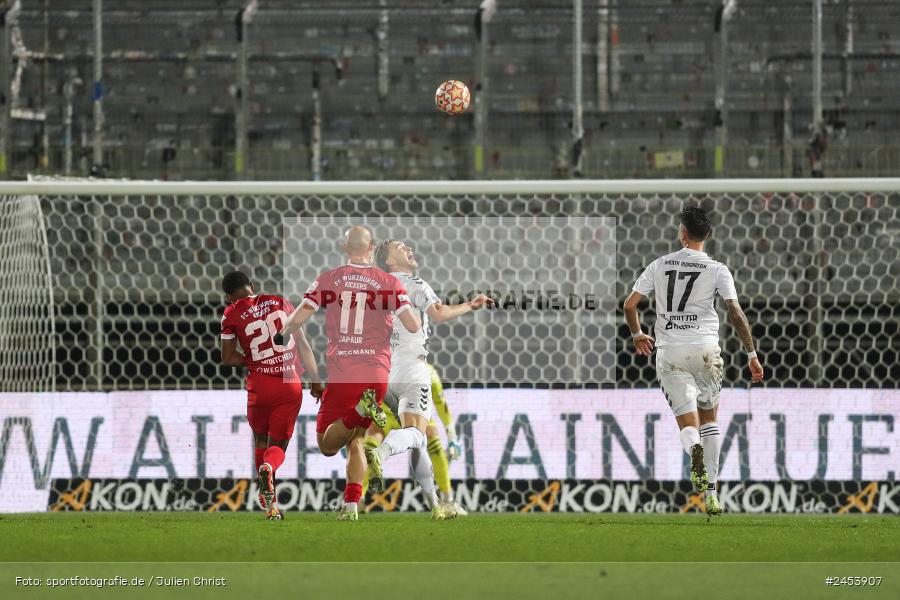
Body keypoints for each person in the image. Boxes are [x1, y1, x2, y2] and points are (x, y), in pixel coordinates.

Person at [622, 206, 764, 517]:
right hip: (706, 352)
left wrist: (637, 334)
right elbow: (735, 313)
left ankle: (693, 451)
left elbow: (630, 304)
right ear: (707, 235)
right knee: (710, 420)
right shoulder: (717, 269)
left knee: (688, 423)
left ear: (682, 233)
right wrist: (751, 355)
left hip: (670, 351)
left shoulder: (659, 265)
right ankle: (711, 494)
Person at [277, 226, 420, 521]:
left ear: (345, 247)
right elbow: (413, 325)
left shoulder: (330, 279)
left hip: (343, 372)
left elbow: (302, 313)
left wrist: (283, 331)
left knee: (327, 446)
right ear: (371, 249)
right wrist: (404, 303)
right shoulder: (389, 282)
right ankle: (351, 505)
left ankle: (357, 411)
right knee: (356, 440)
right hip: (376, 374)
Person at [365, 239, 492, 519]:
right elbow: (439, 313)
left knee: (419, 442)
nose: (408, 247)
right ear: (389, 261)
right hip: (412, 368)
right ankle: (381, 454)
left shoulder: (373, 291)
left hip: (381, 371)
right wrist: (471, 304)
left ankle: (436, 505)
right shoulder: (414, 284)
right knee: (417, 434)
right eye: (400, 247)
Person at [219, 270, 323, 520]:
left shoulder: (231, 313)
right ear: (251, 285)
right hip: (289, 385)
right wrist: (316, 381)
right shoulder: (280, 302)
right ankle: (269, 467)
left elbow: (228, 358)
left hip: (260, 386)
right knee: (278, 446)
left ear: (228, 297)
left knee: (261, 441)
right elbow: (303, 344)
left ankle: (271, 507)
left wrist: (252, 360)